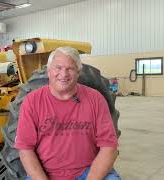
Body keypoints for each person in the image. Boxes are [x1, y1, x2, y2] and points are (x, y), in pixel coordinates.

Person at [14, 47, 120, 180]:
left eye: (70, 69)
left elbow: (109, 147)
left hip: (88, 171)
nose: (63, 74)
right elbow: (25, 148)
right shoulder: (32, 101)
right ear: (48, 71)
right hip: (45, 174)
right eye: (58, 68)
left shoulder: (96, 99)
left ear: (79, 72)